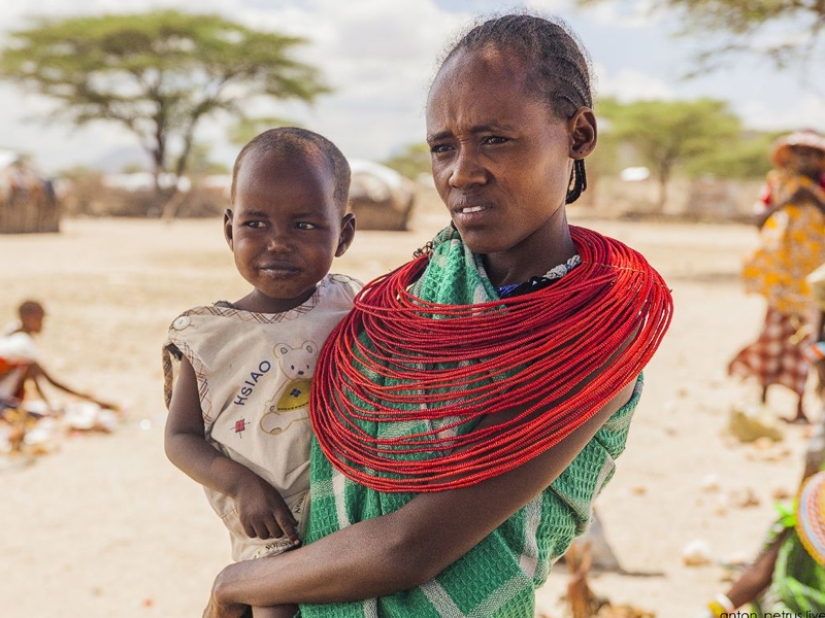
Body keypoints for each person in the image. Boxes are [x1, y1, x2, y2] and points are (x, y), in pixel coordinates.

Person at [201, 14, 673, 618]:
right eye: (442, 147)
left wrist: (236, 585)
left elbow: (412, 546)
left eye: (495, 139)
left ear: (578, 134)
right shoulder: (409, 294)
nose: (460, 172)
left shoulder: (600, 324)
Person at [162, 128, 359, 618]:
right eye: (255, 223)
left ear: (345, 234)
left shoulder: (352, 304)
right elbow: (181, 437)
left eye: (305, 226)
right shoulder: (210, 338)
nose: (278, 243)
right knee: (276, 606)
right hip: (271, 523)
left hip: (351, 507)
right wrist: (240, 485)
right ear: (229, 229)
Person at [728, 130, 825, 423]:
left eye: (811, 153)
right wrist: (790, 201)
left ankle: (799, 404)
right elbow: (760, 219)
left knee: (809, 338)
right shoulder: (777, 184)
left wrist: (815, 200)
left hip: (814, 278)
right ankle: (763, 397)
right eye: (798, 152)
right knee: (772, 333)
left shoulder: (822, 186)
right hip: (781, 275)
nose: (803, 158)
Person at [0, 300, 114, 412]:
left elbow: (33, 376)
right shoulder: (23, 344)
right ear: (28, 318)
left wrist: (47, 403)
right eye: (40, 319)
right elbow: (49, 380)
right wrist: (93, 400)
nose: (42, 324)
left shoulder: (12, 330)